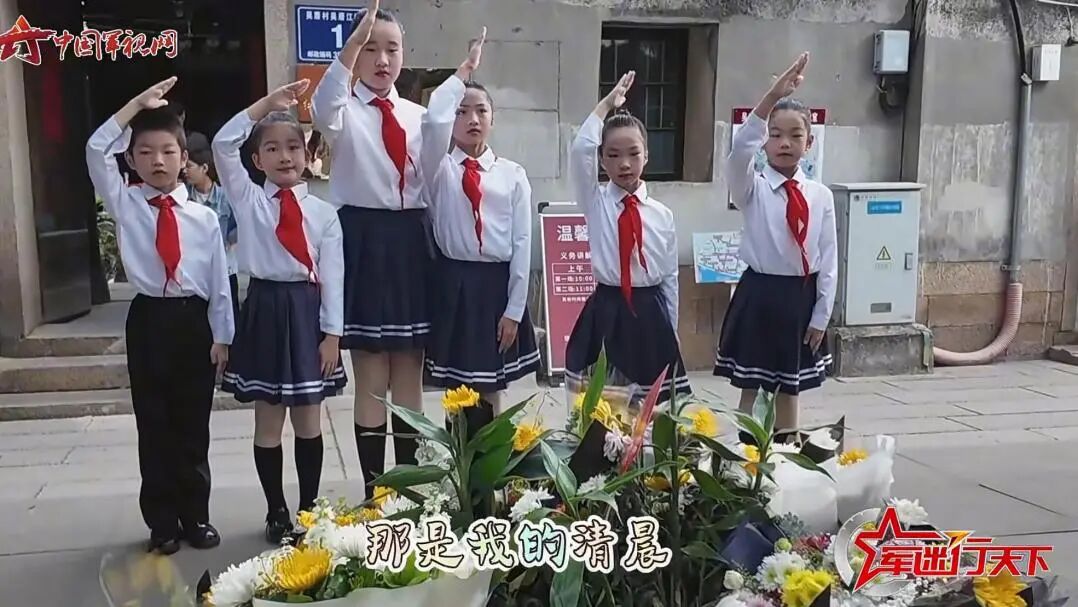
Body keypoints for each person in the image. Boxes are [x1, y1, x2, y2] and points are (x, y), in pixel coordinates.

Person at [85, 77, 233, 555]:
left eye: (168, 151)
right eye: (145, 153)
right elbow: (95, 149)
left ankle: (196, 517)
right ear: (131, 160)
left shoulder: (204, 218)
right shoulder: (126, 202)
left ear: (184, 158)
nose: (157, 161)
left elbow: (219, 282)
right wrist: (135, 106)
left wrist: (223, 336)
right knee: (154, 424)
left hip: (193, 322)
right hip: (149, 319)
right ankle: (163, 522)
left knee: (193, 424)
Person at [212, 79, 348, 544]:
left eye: (293, 147)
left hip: (307, 315)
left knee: (309, 418)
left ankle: (309, 510)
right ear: (257, 160)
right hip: (265, 311)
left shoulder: (325, 214)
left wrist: (332, 335)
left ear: (308, 154)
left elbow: (333, 278)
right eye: (272, 149)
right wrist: (265, 106)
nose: (285, 156)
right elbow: (222, 144)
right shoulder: (248, 199)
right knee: (268, 419)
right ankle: (276, 510)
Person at [310, 0, 430, 488]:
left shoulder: (422, 117)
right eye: (369, 48)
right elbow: (322, 106)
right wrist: (349, 45)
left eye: (392, 49)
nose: (382, 60)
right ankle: (376, 489)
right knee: (371, 372)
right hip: (361, 241)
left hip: (412, 244)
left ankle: (410, 490)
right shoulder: (342, 113)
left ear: (404, 54)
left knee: (409, 372)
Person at [713, 52, 837, 439]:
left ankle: (787, 454)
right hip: (760, 293)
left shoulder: (820, 195)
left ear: (809, 142)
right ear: (764, 142)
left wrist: (821, 315)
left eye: (795, 135)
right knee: (751, 384)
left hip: (800, 296)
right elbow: (738, 153)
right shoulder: (752, 188)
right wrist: (771, 97)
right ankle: (743, 454)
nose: (785, 143)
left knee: (790, 385)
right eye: (776, 134)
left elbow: (829, 259)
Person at [419, 31, 540, 421]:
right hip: (453, 283)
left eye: (481, 111)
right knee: (457, 390)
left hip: (495, 286)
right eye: (462, 111)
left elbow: (523, 242)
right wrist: (463, 73)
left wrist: (515, 308)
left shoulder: (512, 175)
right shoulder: (438, 170)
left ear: (493, 118)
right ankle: (460, 456)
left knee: (490, 386)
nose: (472, 119)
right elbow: (433, 120)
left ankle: (490, 456)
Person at [564, 71, 691, 411]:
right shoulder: (596, 202)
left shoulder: (661, 214)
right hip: (607, 311)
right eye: (613, 154)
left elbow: (669, 278)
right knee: (604, 408)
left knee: (653, 411)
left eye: (633, 154)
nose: (624, 164)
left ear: (646, 155)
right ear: (602, 160)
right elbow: (580, 149)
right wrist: (606, 105)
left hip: (650, 314)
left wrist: (671, 329)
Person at [186, 146, 241, 320]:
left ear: (204, 168)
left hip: (225, 268)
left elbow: (239, 226)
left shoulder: (226, 197)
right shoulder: (184, 197)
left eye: (189, 166)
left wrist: (230, 242)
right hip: (194, 270)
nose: (185, 171)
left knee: (229, 318)